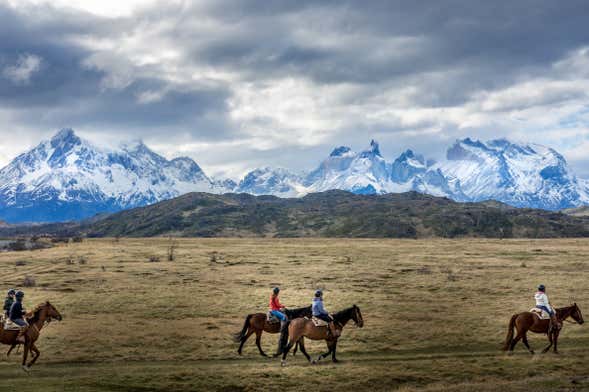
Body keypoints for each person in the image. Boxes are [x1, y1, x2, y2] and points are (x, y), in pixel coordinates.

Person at [269, 287, 289, 353]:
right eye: (278, 291)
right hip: (274, 310)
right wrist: (282, 306)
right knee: (284, 317)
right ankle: (282, 328)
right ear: (277, 292)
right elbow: (277, 305)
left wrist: (280, 306)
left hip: (274, 309)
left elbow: (277, 304)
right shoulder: (275, 297)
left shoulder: (273, 296)